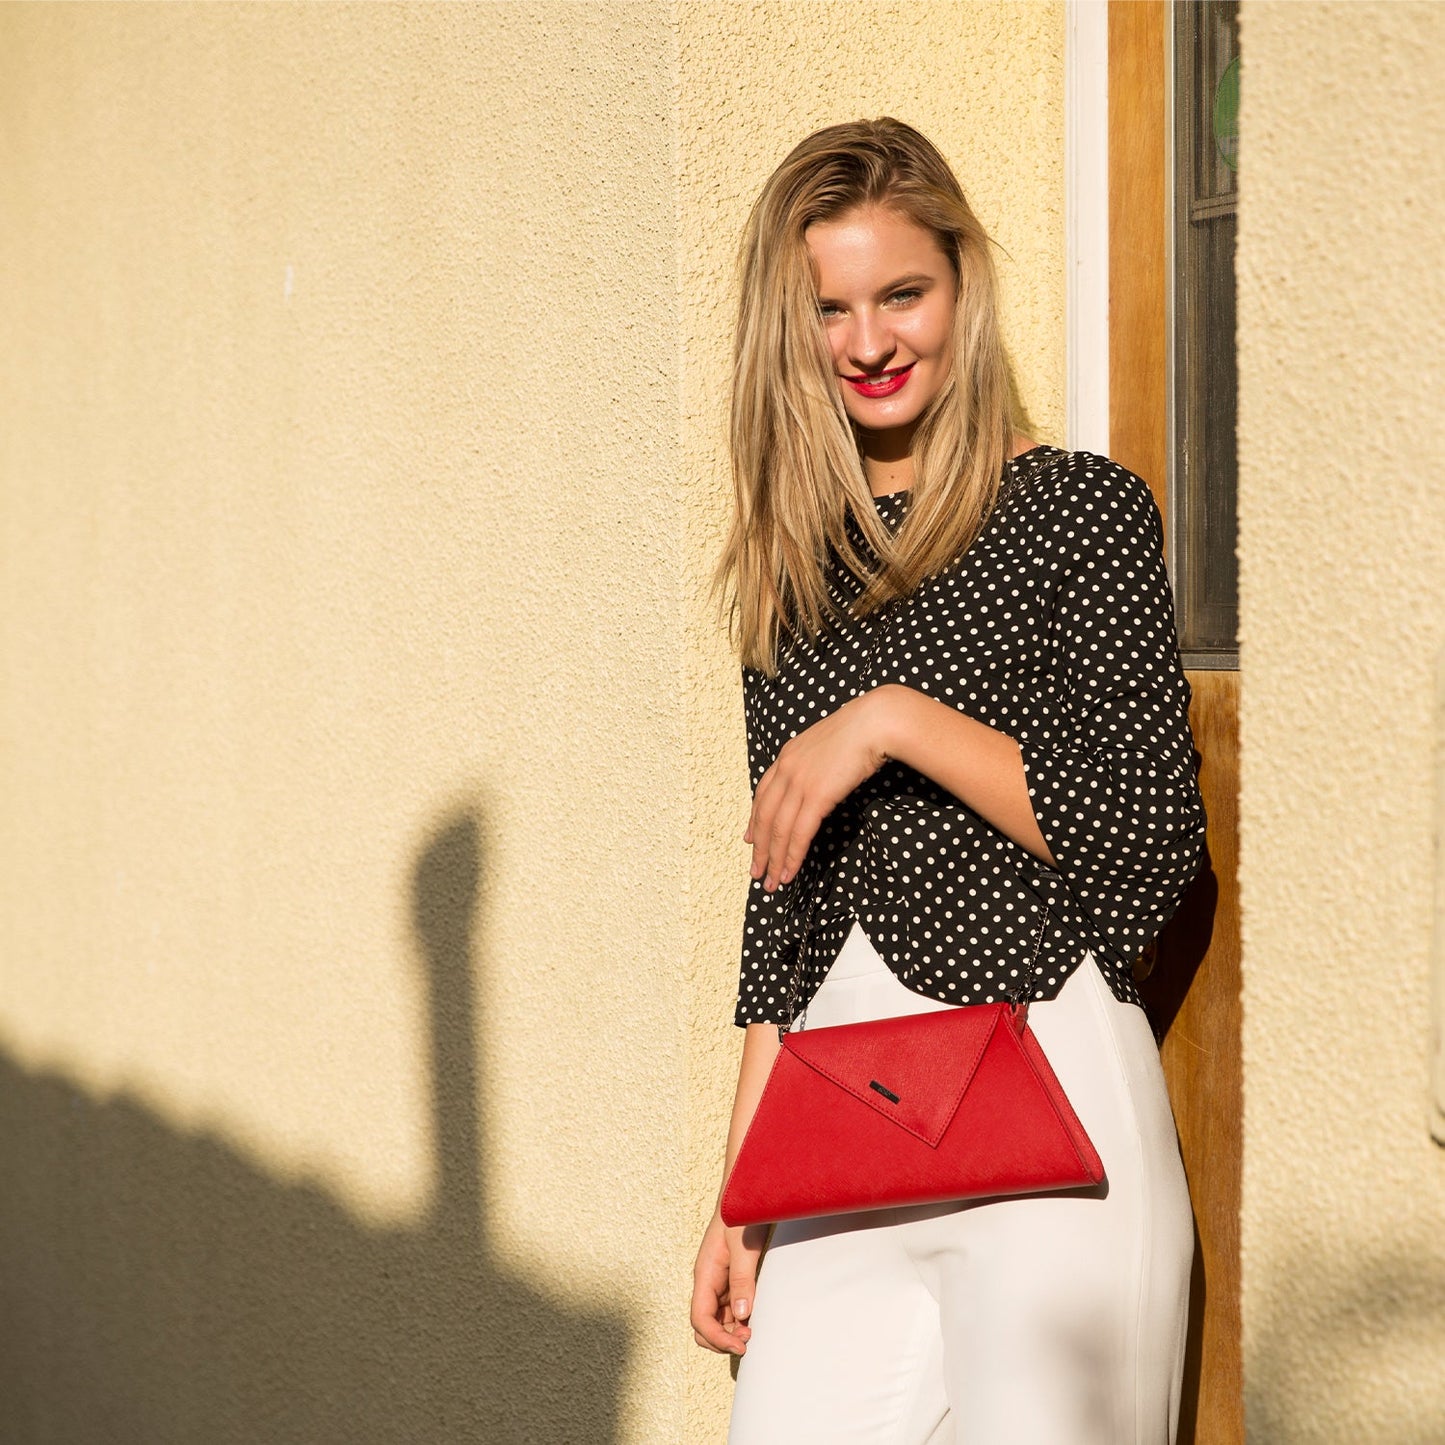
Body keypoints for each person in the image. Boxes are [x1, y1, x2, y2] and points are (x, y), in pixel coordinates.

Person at [690, 117, 1207, 1444]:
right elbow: (780, 910)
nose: (869, 341)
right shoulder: (790, 571)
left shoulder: (1079, 511)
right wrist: (741, 1191)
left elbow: (1148, 846)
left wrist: (895, 720)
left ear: (961, 287)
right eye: (829, 309)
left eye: (901, 293)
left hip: (1053, 1111)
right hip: (839, 1127)